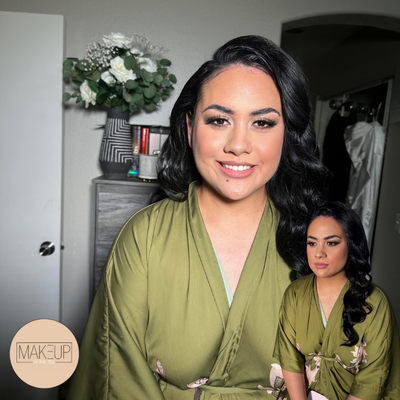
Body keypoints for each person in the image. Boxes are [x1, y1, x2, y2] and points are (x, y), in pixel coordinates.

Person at [67, 35, 328, 400]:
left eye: (262, 123)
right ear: (190, 128)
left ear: (288, 134)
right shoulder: (145, 237)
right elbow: (115, 374)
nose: (238, 145)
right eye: (219, 120)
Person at [274, 202, 400, 400]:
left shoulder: (376, 303)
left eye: (331, 243)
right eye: (312, 243)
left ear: (351, 244)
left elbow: (372, 379)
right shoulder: (295, 294)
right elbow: (289, 359)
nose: (319, 253)